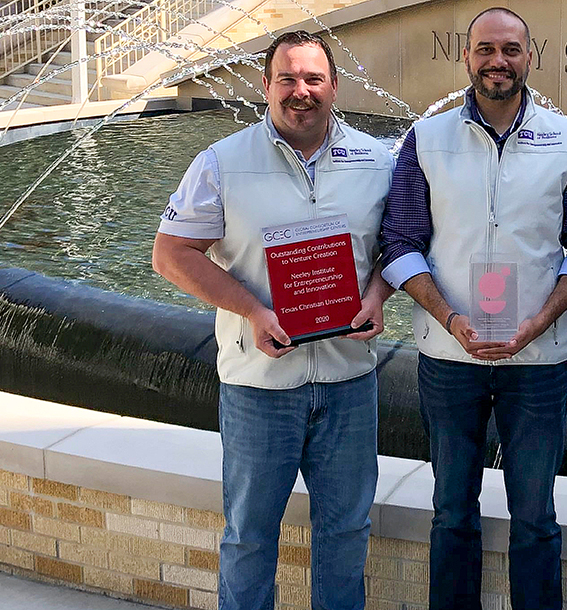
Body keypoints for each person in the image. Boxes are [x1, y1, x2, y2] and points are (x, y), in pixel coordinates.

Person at [150, 30, 393, 610]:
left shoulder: (378, 160)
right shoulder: (222, 163)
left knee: (346, 534)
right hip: (259, 387)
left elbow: (402, 246)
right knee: (249, 538)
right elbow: (170, 254)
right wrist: (252, 310)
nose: (300, 91)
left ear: (335, 85)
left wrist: (379, 294)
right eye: (287, 79)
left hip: (348, 383)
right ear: (266, 86)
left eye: (313, 79)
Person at [378, 7, 567, 610]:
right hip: (449, 357)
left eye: (509, 49)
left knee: (535, 515)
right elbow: (398, 242)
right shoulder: (425, 139)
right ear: (467, 56)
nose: (496, 61)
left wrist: (540, 322)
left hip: (539, 360)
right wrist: (450, 318)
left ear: (530, 57)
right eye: (485, 49)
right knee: (452, 511)